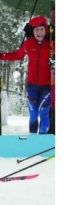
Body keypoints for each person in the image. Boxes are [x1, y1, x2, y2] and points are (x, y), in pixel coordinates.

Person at [0, 16, 54, 134]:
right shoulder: (29, 43)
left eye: (41, 29)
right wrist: (0, 55)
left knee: (43, 112)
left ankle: (43, 141)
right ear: (32, 31)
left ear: (46, 30)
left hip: (47, 85)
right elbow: (17, 55)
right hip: (32, 85)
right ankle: (33, 140)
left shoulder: (52, 44)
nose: (39, 32)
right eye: (36, 30)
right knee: (33, 114)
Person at [47, 7, 55, 135]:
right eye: (52, 16)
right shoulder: (47, 31)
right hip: (48, 76)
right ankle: (50, 131)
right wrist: (30, 32)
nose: (54, 18)